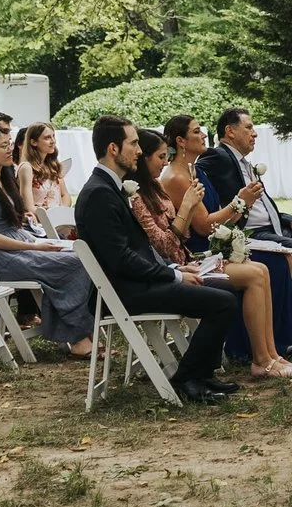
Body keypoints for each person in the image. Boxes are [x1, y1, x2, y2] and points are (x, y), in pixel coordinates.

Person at [74, 116, 239, 404]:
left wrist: (174, 267)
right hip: (125, 291)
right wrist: (174, 276)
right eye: (134, 144)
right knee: (222, 302)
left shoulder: (112, 186)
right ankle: (187, 378)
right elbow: (121, 259)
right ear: (113, 149)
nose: (139, 151)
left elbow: (136, 251)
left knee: (225, 287)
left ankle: (202, 374)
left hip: (137, 282)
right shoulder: (99, 193)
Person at [134, 130, 292, 378]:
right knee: (256, 274)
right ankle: (261, 360)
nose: (164, 161)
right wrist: (191, 207)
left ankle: (272, 354)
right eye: (160, 157)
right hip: (179, 267)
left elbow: (181, 235)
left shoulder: (157, 188)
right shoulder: (143, 193)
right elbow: (167, 245)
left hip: (188, 259)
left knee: (262, 269)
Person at [198, 107, 292, 328]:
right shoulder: (219, 155)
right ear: (230, 131)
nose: (254, 133)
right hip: (252, 232)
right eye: (249, 128)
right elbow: (195, 170)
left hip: (274, 226)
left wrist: (290, 220)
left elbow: (265, 205)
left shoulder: (246, 163)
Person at [0, 125, 93, 355]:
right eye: (3, 146)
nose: (9, 149)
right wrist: (34, 246)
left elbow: (15, 224)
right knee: (75, 263)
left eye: (9, 143)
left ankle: (79, 332)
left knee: (81, 253)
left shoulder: (4, 179)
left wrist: (33, 236)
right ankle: (79, 338)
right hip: (2, 256)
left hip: (21, 242)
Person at [14, 124, 70, 221]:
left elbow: (65, 195)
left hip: (58, 221)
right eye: (47, 138)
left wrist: (62, 213)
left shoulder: (53, 166)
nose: (53, 141)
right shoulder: (27, 167)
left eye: (53, 136)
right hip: (40, 223)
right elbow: (28, 206)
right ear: (34, 142)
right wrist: (52, 217)